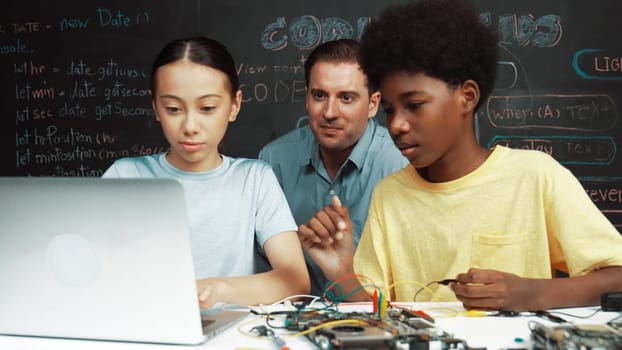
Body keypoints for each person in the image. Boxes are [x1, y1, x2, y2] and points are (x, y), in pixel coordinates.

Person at [299, 0, 622, 311]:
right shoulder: (390, 195)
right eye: (390, 110)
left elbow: (617, 276)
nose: (396, 124)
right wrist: (342, 272)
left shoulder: (535, 176)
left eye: (414, 105)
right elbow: (378, 313)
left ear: (466, 97)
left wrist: (532, 292)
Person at [102, 36, 309, 309]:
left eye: (207, 108)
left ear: (234, 105)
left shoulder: (255, 179)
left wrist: (216, 288)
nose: (190, 126)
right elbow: (94, 270)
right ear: (155, 107)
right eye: (173, 109)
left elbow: (295, 282)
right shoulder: (125, 176)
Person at [258, 39, 407, 295]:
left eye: (346, 98)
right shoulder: (274, 160)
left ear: (373, 104)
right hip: (293, 318)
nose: (329, 112)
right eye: (319, 95)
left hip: (375, 317)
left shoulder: (400, 165)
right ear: (307, 97)